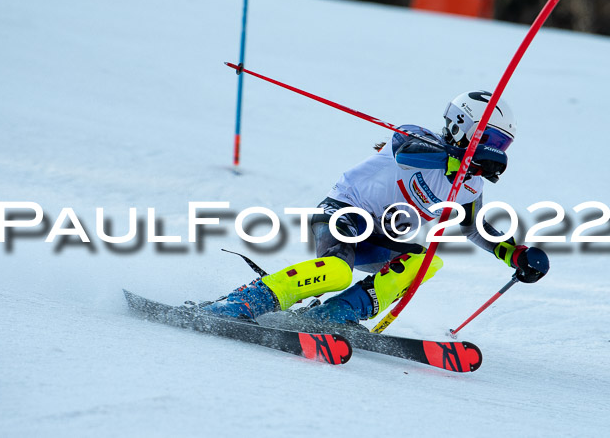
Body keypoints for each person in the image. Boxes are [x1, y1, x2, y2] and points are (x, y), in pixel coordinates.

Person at [201, 90, 549, 325]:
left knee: (426, 261)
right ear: (462, 126)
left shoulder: (470, 184)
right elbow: (406, 152)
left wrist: (514, 255)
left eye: (503, 145)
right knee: (337, 271)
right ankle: (249, 301)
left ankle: (334, 315)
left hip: (381, 236)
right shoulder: (418, 137)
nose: (496, 152)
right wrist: (459, 160)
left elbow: (474, 227)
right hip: (344, 212)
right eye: (490, 140)